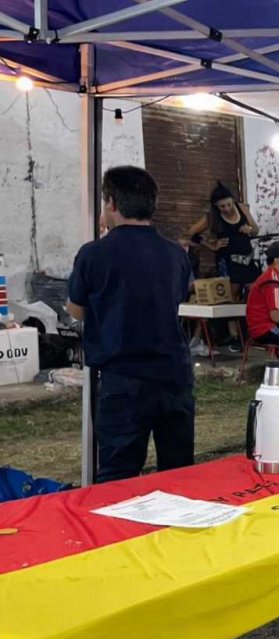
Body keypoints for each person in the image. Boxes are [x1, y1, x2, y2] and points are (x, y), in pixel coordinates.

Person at [67, 166, 195, 483]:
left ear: (111, 202)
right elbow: (177, 299)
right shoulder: (175, 253)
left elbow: (77, 311)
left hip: (123, 377)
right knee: (178, 471)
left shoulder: (93, 254)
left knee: (118, 475)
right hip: (174, 375)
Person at [187, 182, 259, 298]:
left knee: (255, 292)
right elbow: (190, 233)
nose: (227, 209)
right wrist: (211, 246)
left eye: (229, 204)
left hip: (247, 258)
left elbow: (256, 230)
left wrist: (249, 229)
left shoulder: (242, 208)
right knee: (230, 295)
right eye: (222, 206)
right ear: (216, 205)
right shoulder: (212, 216)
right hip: (228, 262)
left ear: (233, 200)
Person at [246, 241, 279, 348]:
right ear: (278, 260)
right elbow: (275, 315)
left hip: (267, 326)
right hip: (264, 329)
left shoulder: (272, 276)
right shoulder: (272, 281)